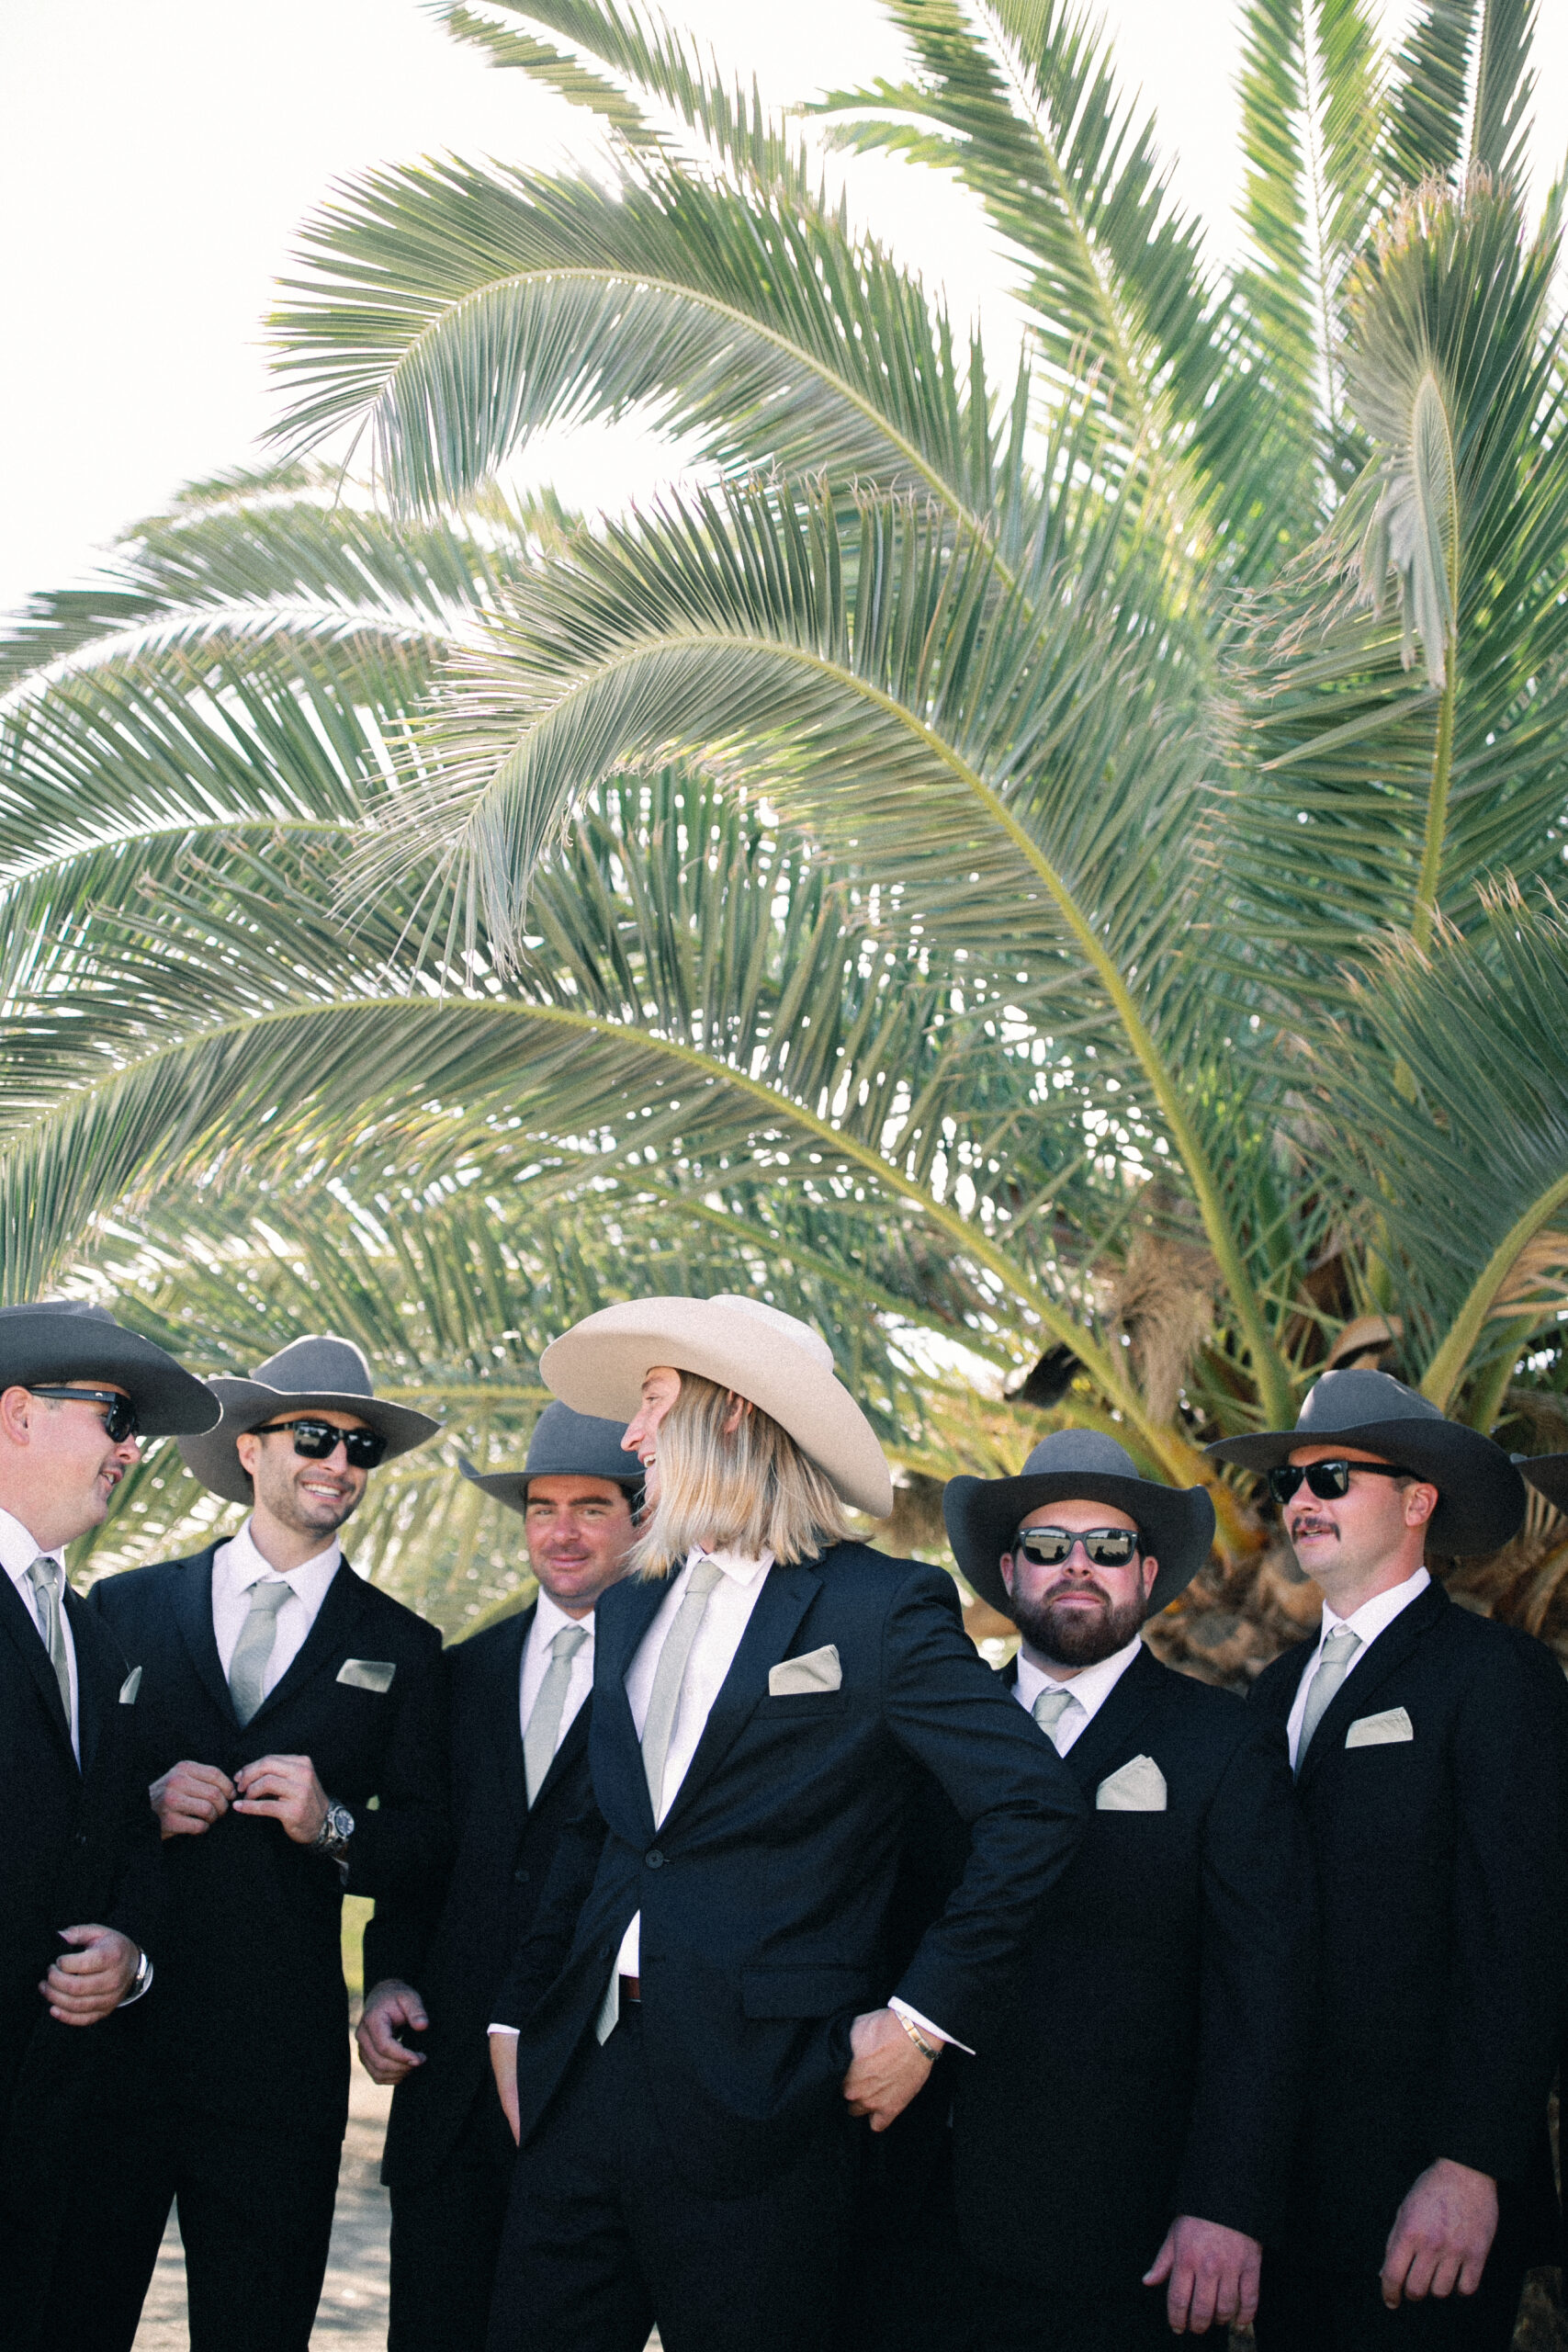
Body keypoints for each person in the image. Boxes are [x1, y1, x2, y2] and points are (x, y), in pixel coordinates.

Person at [485, 1293, 1089, 2352]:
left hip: (768, 2100)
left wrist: (920, 2021)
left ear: (729, 1414)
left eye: (652, 1403)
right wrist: (513, 2017)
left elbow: (1032, 1808)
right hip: (583, 2080)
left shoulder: (881, 1608)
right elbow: (599, 1828)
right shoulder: (630, 1597)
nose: (630, 1436)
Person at [865, 1428, 1315, 2352]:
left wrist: (1227, 2203)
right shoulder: (926, 1738)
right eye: (1048, 1546)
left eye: (1108, 1547)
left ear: (1147, 1574)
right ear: (1008, 1570)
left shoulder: (1221, 1747)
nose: (1078, 1566)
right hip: (913, 2222)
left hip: (1127, 2241)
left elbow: (1262, 1998)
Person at [78, 1333, 450, 2352]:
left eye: (361, 1448)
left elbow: (427, 1844)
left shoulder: (404, 1649)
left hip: (278, 2064)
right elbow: (69, 1805)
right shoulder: (123, 1606)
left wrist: (333, 1825)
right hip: (115, 2037)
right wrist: (145, 1801)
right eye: (316, 1437)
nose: (339, 1462)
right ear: (252, 1448)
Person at [1208, 1367, 1568, 2352]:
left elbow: (1523, 1938)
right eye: (1288, 1484)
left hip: (1427, 2206)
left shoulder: (1499, 1678)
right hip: (1288, 2200)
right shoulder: (1271, 1690)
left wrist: (1470, 2163)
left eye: (1331, 1476)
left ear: (1418, 1502)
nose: (1301, 1502)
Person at [360, 1402, 644, 2352]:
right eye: (541, 1507)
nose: (560, 1530)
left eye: (591, 1506)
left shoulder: (676, 1681)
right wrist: (391, 1972)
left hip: (591, 2096)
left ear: (641, 1519)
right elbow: (421, 1856)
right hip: (446, 2098)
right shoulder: (461, 1672)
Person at [0, 1298, 216, 2352]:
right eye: (112, 1415)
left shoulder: (83, 1625)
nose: (131, 1447)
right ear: (16, 1417)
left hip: (63, 2122)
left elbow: (120, 1834)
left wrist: (128, 1954)